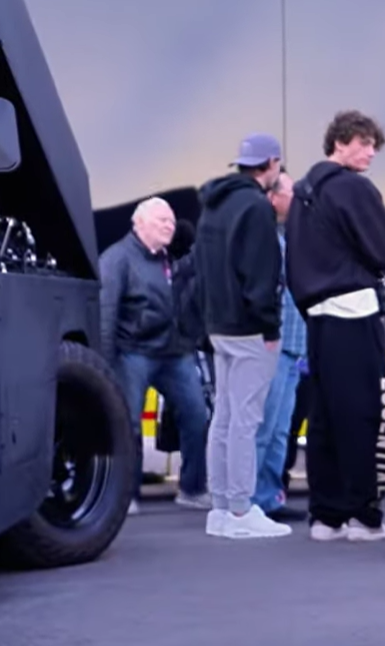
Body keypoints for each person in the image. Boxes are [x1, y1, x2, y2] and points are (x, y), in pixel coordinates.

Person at [285, 110, 385, 542]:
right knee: (363, 414)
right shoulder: (354, 188)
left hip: (317, 317)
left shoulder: (302, 193)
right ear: (339, 142)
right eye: (364, 143)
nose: (371, 152)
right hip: (354, 312)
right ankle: (363, 517)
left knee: (324, 417)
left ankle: (325, 517)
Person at [195, 132, 290, 538]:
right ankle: (240, 511)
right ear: (270, 164)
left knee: (224, 418)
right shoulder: (256, 207)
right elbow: (261, 274)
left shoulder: (213, 205)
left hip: (219, 326)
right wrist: (270, 327)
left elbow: (200, 269)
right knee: (245, 421)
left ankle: (220, 509)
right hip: (250, 330)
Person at [98, 196, 210, 512]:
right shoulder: (117, 259)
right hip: (133, 353)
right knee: (127, 424)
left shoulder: (168, 258)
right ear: (139, 223)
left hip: (174, 351)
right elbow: (106, 313)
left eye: (171, 220)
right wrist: (105, 364)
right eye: (162, 220)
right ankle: (125, 496)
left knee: (196, 415)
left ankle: (192, 488)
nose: (170, 225)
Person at [252, 170, 310, 522]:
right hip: (274, 346)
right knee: (264, 428)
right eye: (291, 192)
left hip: (294, 348)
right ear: (273, 197)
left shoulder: (287, 239)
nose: (297, 199)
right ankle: (249, 501)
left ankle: (269, 497)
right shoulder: (267, 241)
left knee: (279, 431)